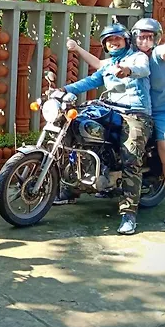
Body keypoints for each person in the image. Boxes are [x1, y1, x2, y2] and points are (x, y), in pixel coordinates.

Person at [66, 18, 165, 225]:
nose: (145, 41)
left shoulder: (152, 55)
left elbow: (157, 57)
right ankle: (73, 186)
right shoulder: (122, 57)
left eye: (150, 37)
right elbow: (98, 69)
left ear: (156, 39)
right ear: (133, 37)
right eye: (141, 36)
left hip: (161, 112)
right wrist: (65, 87)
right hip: (119, 109)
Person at [56, 23, 153, 235]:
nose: (113, 42)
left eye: (117, 38)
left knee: (130, 157)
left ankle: (129, 214)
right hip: (109, 109)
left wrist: (127, 71)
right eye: (109, 40)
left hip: (135, 113)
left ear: (126, 40)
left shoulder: (137, 57)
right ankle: (70, 189)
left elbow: (142, 69)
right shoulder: (108, 64)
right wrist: (63, 89)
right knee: (75, 132)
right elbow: (90, 81)